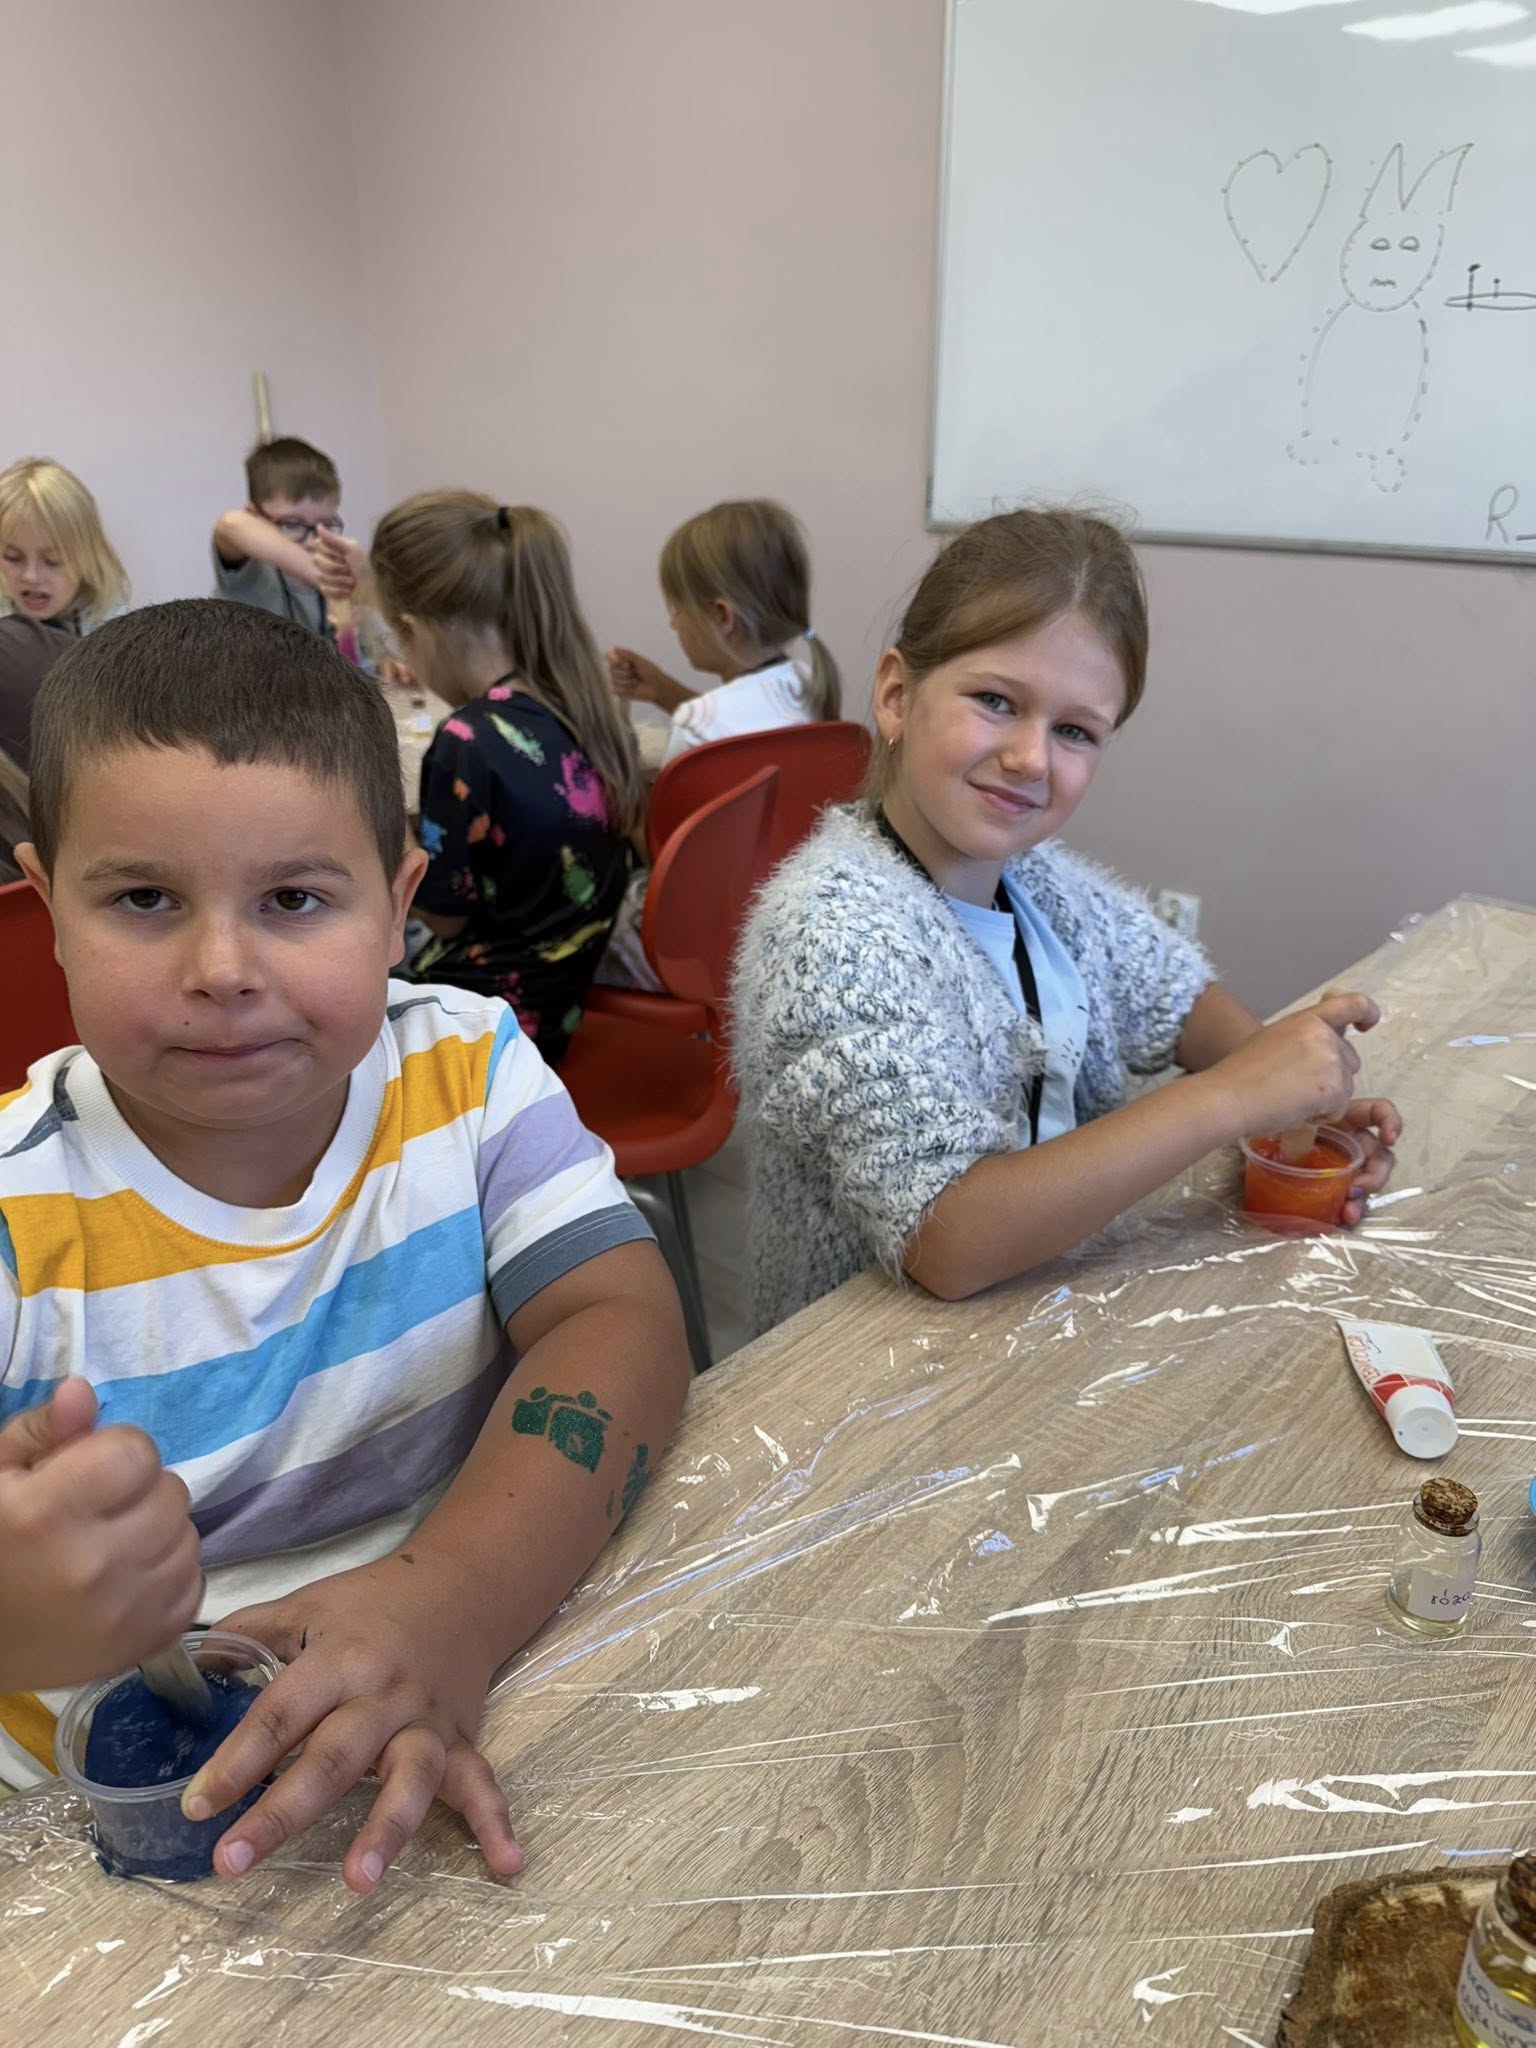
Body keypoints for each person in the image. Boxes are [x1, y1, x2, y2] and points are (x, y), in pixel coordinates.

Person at [0, 599, 689, 1889]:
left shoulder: (468, 1073)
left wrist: (454, 1600)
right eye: (144, 897)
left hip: (467, 1692)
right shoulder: (12, 1212)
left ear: (396, 903)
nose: (222, 966)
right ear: (48, 905)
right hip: (107, 1855)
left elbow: (624, 1321)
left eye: (294, 898)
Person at [731, 509, 1401, 1332]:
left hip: (1033, 1310)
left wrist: (1291, 1099)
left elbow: (1177, 996)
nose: (1030, 758)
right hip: (857, 1361)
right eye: (995, 701)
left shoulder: (1038, 881)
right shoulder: (831, 932)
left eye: (1075, 731)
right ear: (897, 696)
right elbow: (949, 1239)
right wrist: (1234, 1097)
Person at [370, 493, 644, 1066]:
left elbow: (443, 916)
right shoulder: (580, 708)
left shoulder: (467, 740)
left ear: (412, 630)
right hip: (557, 1014)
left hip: (479, 1031)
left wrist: (386, 818)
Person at [607, 499, 840, 765]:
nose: (673, 624)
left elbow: (709, 736)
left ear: (722, 617)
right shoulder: (805, 682)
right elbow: (735, 727)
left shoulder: (694, 724)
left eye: (677, 609)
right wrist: (661, 689)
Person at [212, 436, 352, 637]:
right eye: (292, 524)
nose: (312, 541)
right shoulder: (251, 572)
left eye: (326, 524)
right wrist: (321, 576)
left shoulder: (337, 572)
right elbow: (231, 524)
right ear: (254, 515)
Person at [0, 457, 129, 637]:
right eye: (12, 557)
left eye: (53, 561)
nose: (30, 576)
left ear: (89, 559)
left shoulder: (110, 626)